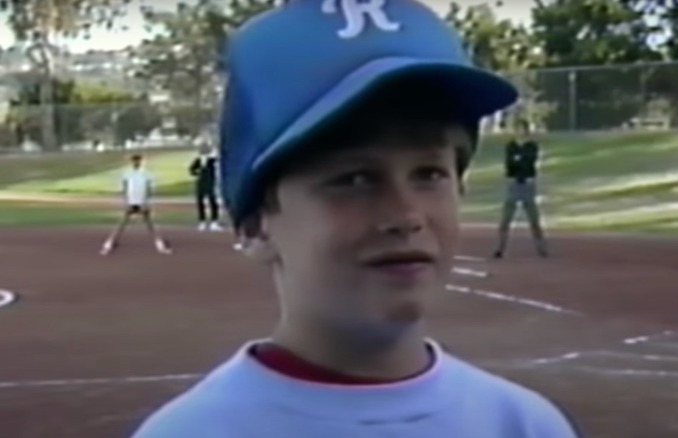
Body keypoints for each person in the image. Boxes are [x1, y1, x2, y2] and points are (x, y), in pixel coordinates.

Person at [131, 1, 578, 437]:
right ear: (255, 224)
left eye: (429, 173)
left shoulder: (522, 425)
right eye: (355, 179)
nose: (405, 215)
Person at [493, 120, 549, 259]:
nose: (519, 132)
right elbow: (509, 164)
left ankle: (541, 248)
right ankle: (500, 248)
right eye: (517, 129)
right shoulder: (510, 146)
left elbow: (529, 162)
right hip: (513, 184)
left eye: (522, 129)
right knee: (506, 219)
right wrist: (518, 162)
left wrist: (519, 161)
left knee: (533, 219)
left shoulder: (532, 146)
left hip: (528, 184)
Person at [100, 154, 172, 255]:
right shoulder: (127, 173)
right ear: (131, 162)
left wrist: (146, 203)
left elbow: (149, 189)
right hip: (131, 201)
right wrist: (125, 202)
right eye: (134, 160)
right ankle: (109, 244)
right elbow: (124, 188)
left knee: (150, 224)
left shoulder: (147, 174)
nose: (136, 162)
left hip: (142, 202)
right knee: (122, 223)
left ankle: (160, 244)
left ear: (141, 161)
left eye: (138, 160)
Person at [189, 143, 223, 231]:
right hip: (201, 184)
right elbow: (191, 170)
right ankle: (202, 222)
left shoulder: (213, 160)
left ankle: (214, 222)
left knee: (213, 202)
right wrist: (198, 173)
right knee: (200, 202)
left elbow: (219, 165)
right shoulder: (198, 160)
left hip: (210, 184)